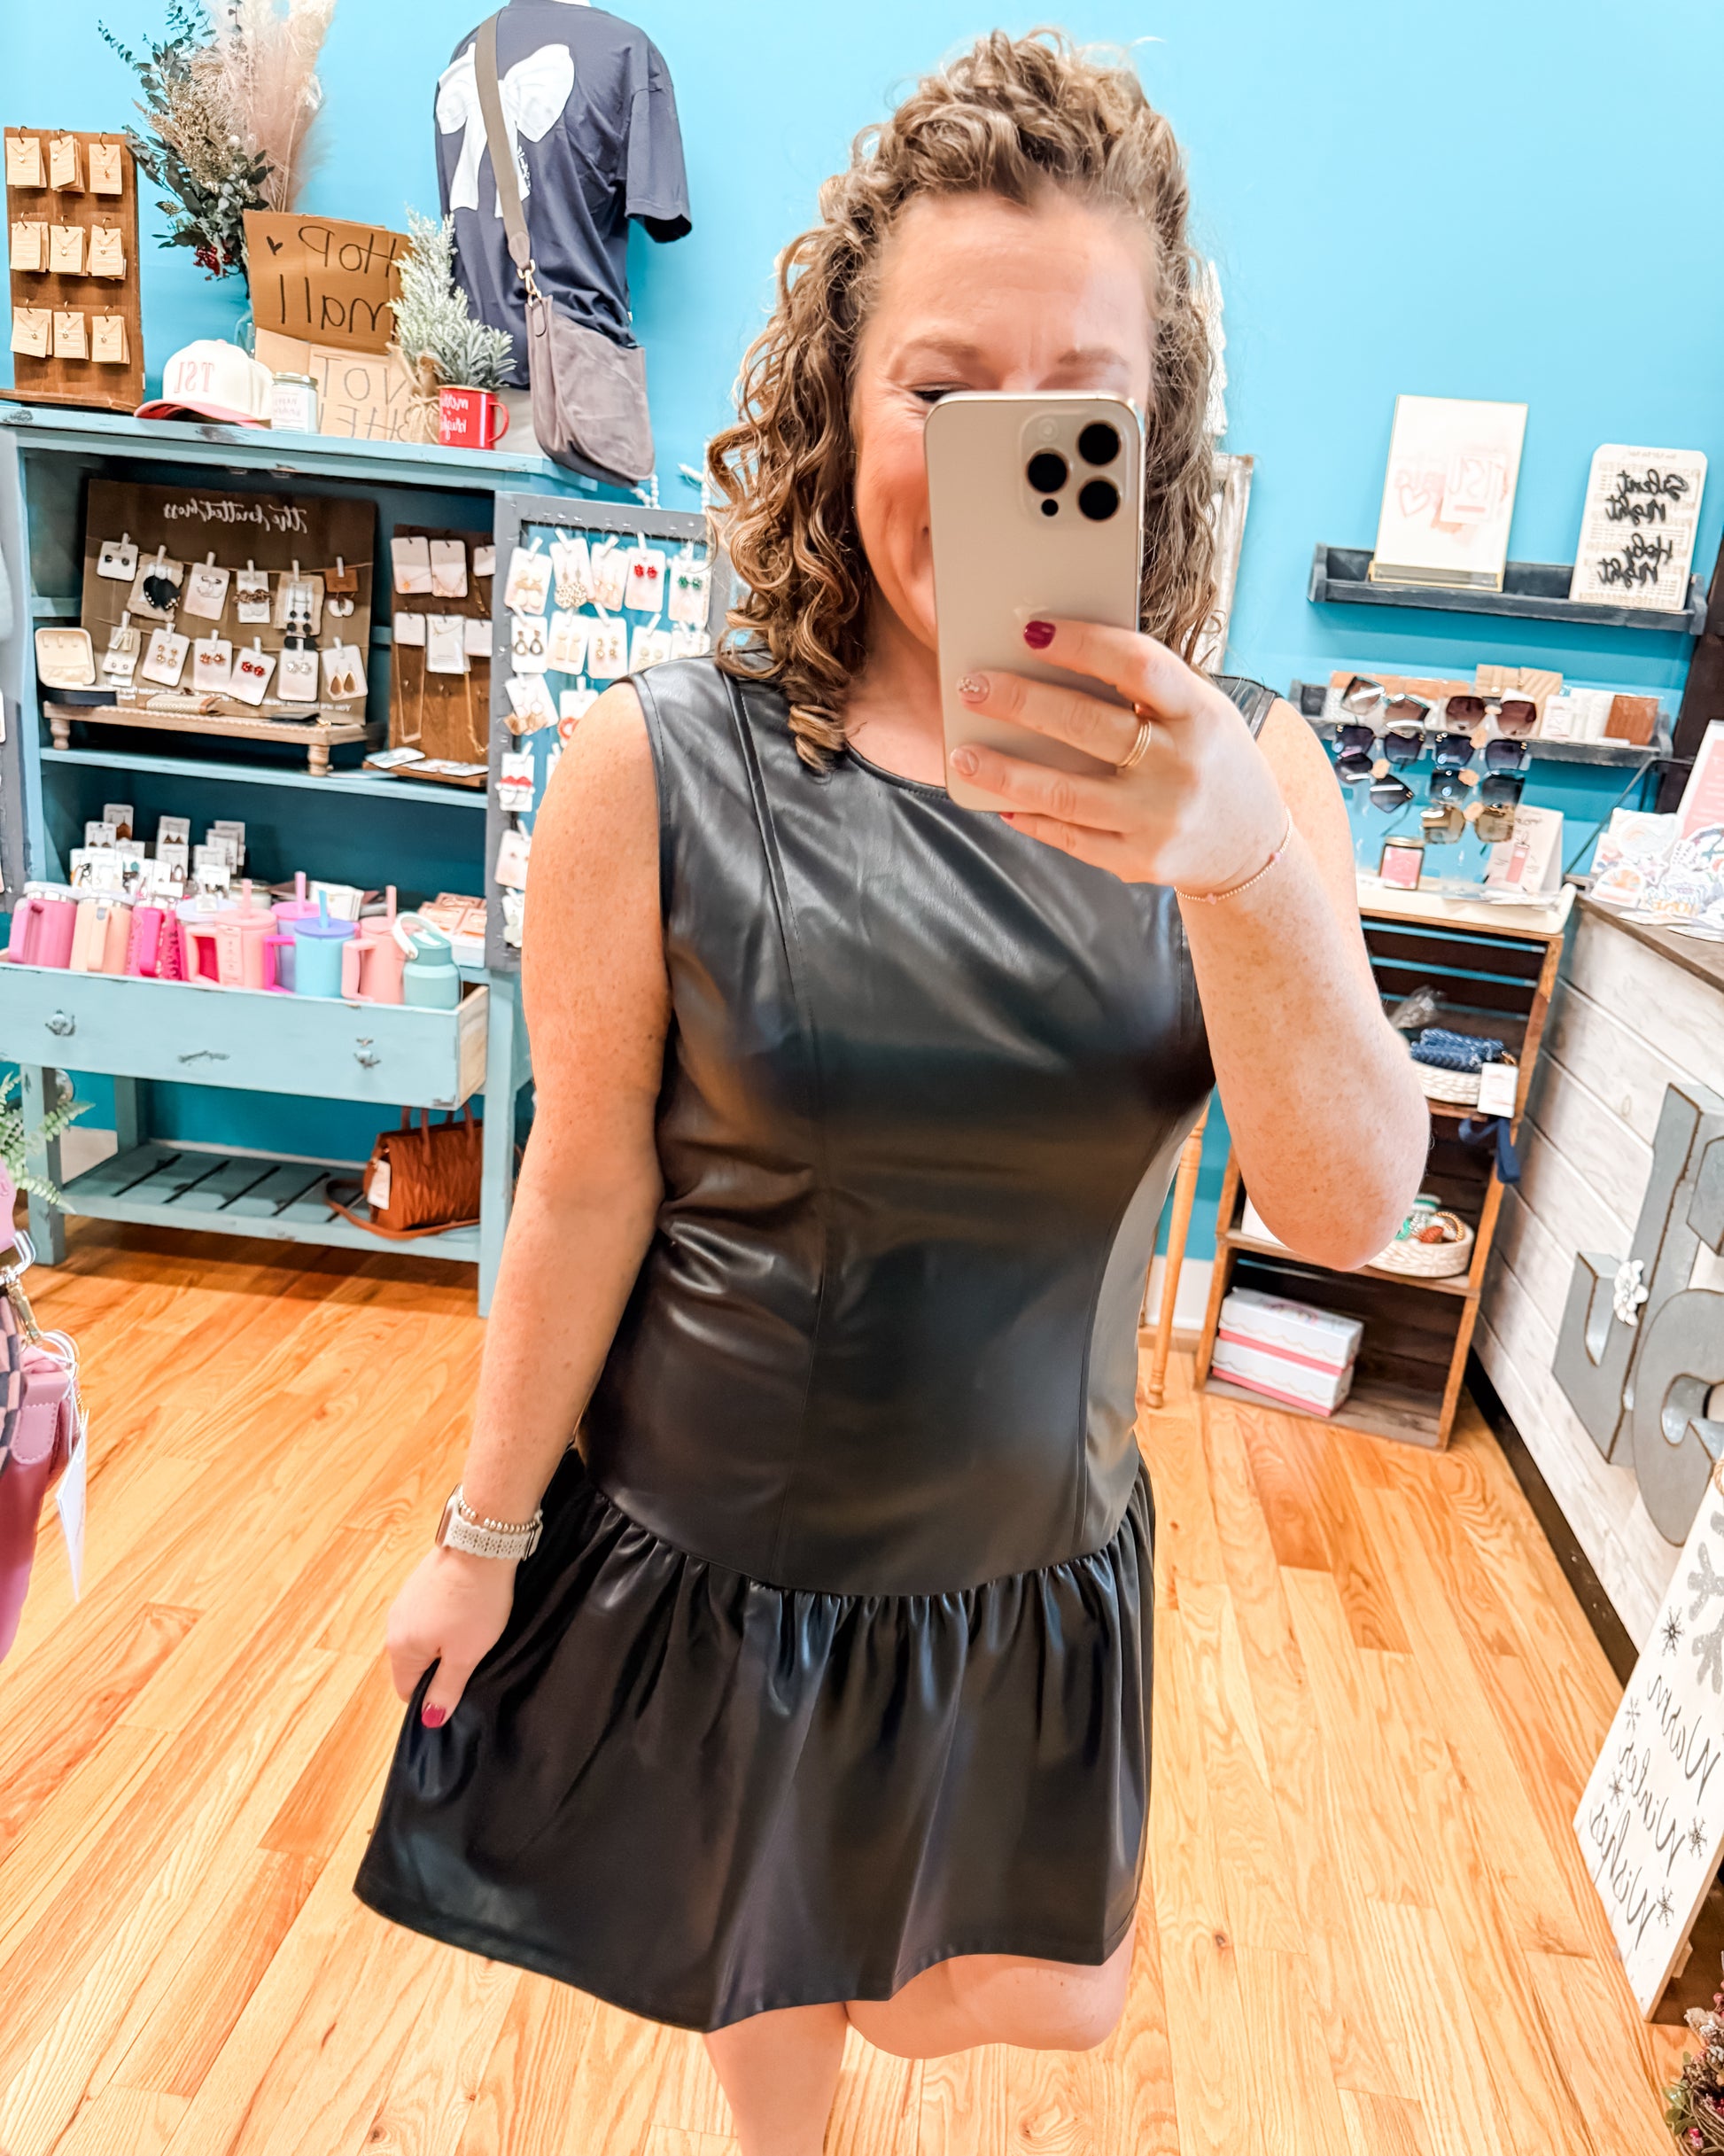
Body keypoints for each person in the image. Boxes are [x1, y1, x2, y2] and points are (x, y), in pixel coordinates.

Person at [352, 29, 1428, 2156]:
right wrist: (479, 1538)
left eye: (1070, 404)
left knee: (1043, 1989)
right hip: (721, 1541)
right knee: (765, 1960)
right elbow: (579, 1186)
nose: (993, 450)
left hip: (1023, 1565)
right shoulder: (650, 769)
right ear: (837, 399)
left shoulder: (1250, 775)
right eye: (938, 386)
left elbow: (1344, 1196)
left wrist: (1236, 856)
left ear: (1151, 436)